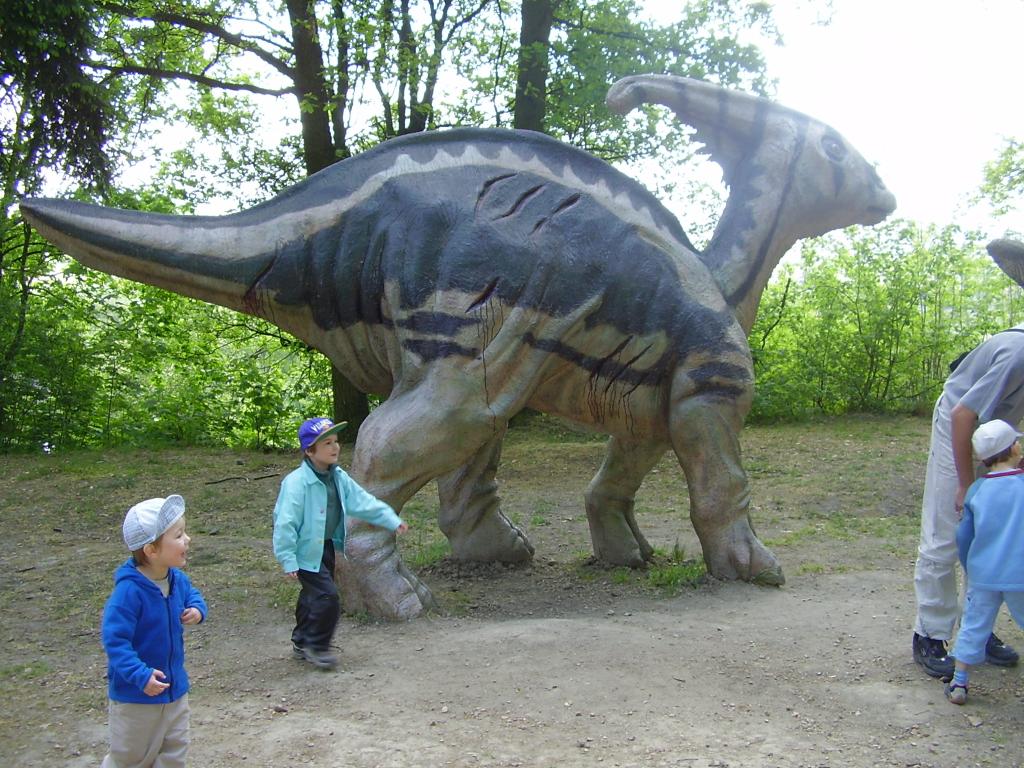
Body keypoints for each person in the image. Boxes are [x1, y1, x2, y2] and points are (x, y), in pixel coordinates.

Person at [912, 328, 1024, 679]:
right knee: (947, 527)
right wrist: (965, 484)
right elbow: (962, 415)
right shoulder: (1018, 353)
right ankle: (930, 635)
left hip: (999, 434)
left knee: (989, 535)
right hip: (957, 423)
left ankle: (978, 628)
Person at [273, 417, 408, 670]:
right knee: (327, 597)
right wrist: (287, 558)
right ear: (309, 450)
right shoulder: (296, 483)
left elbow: (362, 501)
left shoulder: (337, 477)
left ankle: (301, 640)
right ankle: (317, 646)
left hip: (324, 546)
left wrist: (390, 519)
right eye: (327, 443)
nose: (335, 447)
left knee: (312, 595)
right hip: (304, 550)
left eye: (335, 441)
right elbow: (285, 523)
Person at [101, 495, 207, 768]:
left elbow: (192, 595)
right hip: (136, 697)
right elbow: (115, 641)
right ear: (151, 550)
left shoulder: (176, 579)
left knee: (175, 750)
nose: (188, 540)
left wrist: (197, 609)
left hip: (175, 690)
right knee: (130, 757)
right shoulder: (128, 593)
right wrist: (140, 675)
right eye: (179, 535)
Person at [945, 419, 1024, 704]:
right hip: (1019, 574)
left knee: (973, 626)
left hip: (983, 575)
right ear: (1014, 449)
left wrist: (970, 564)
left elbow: (964, 534)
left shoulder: (977, 490)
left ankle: (959, 682)